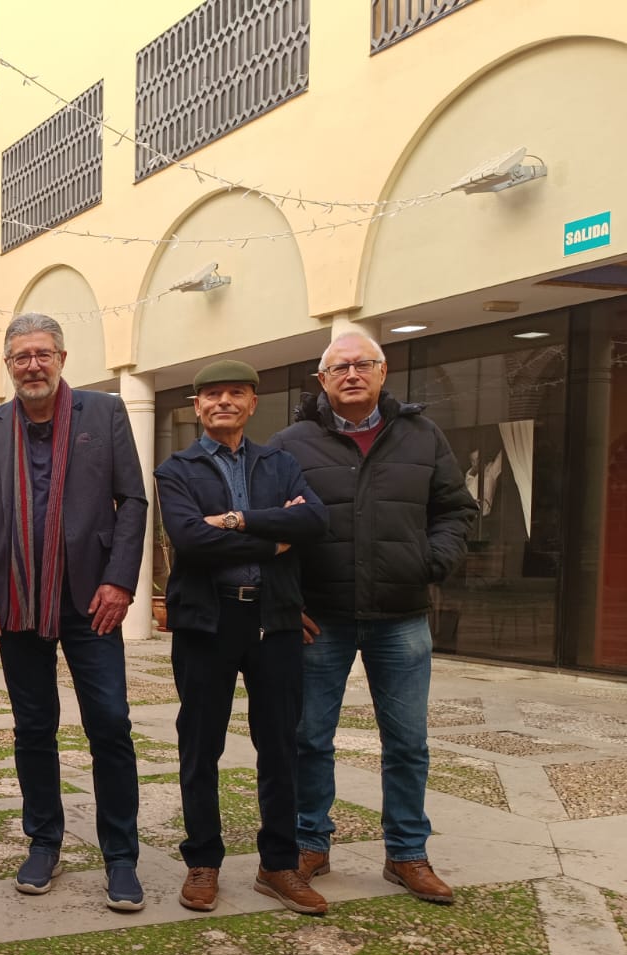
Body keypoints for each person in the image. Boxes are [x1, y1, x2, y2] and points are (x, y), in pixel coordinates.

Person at [270, 333, 476, 903]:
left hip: (401, 615)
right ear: (322, 380)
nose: (352, 374)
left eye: (364, 364)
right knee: (309, 738)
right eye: (340, 367)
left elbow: (456, 509)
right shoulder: (290, 443)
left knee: (408, 742)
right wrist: (288, 600)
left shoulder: (421, 435)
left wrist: (431, 562)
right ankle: (310, 842)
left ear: (384, 373)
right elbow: (271, 525)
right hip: (320, 618)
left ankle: (407, 853)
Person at [0, 313, 149, 908]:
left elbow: (133, 500)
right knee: (34, 727)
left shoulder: (105, 413)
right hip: (16, 601)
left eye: (43, 354)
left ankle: (121, 856)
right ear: (8, 366)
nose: (32, 365)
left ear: (62, 359)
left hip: (90, 599)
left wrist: (120, 581)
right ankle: (44, 841)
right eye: (21, 357)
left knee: (110, 724)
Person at [154, 360, 330, 915]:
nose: (223, 402)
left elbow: (313, 522)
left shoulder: (280, 463)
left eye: (235, 393)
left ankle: (278, 864)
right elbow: (190, 539)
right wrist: (273, 534)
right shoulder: (176, 469)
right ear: (197, 406)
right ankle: (202, 861)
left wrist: (232, 520)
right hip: (207, 621)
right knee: (200, 744)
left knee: (280, 745)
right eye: (212, 394)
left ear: (253, 403)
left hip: (274, 619)